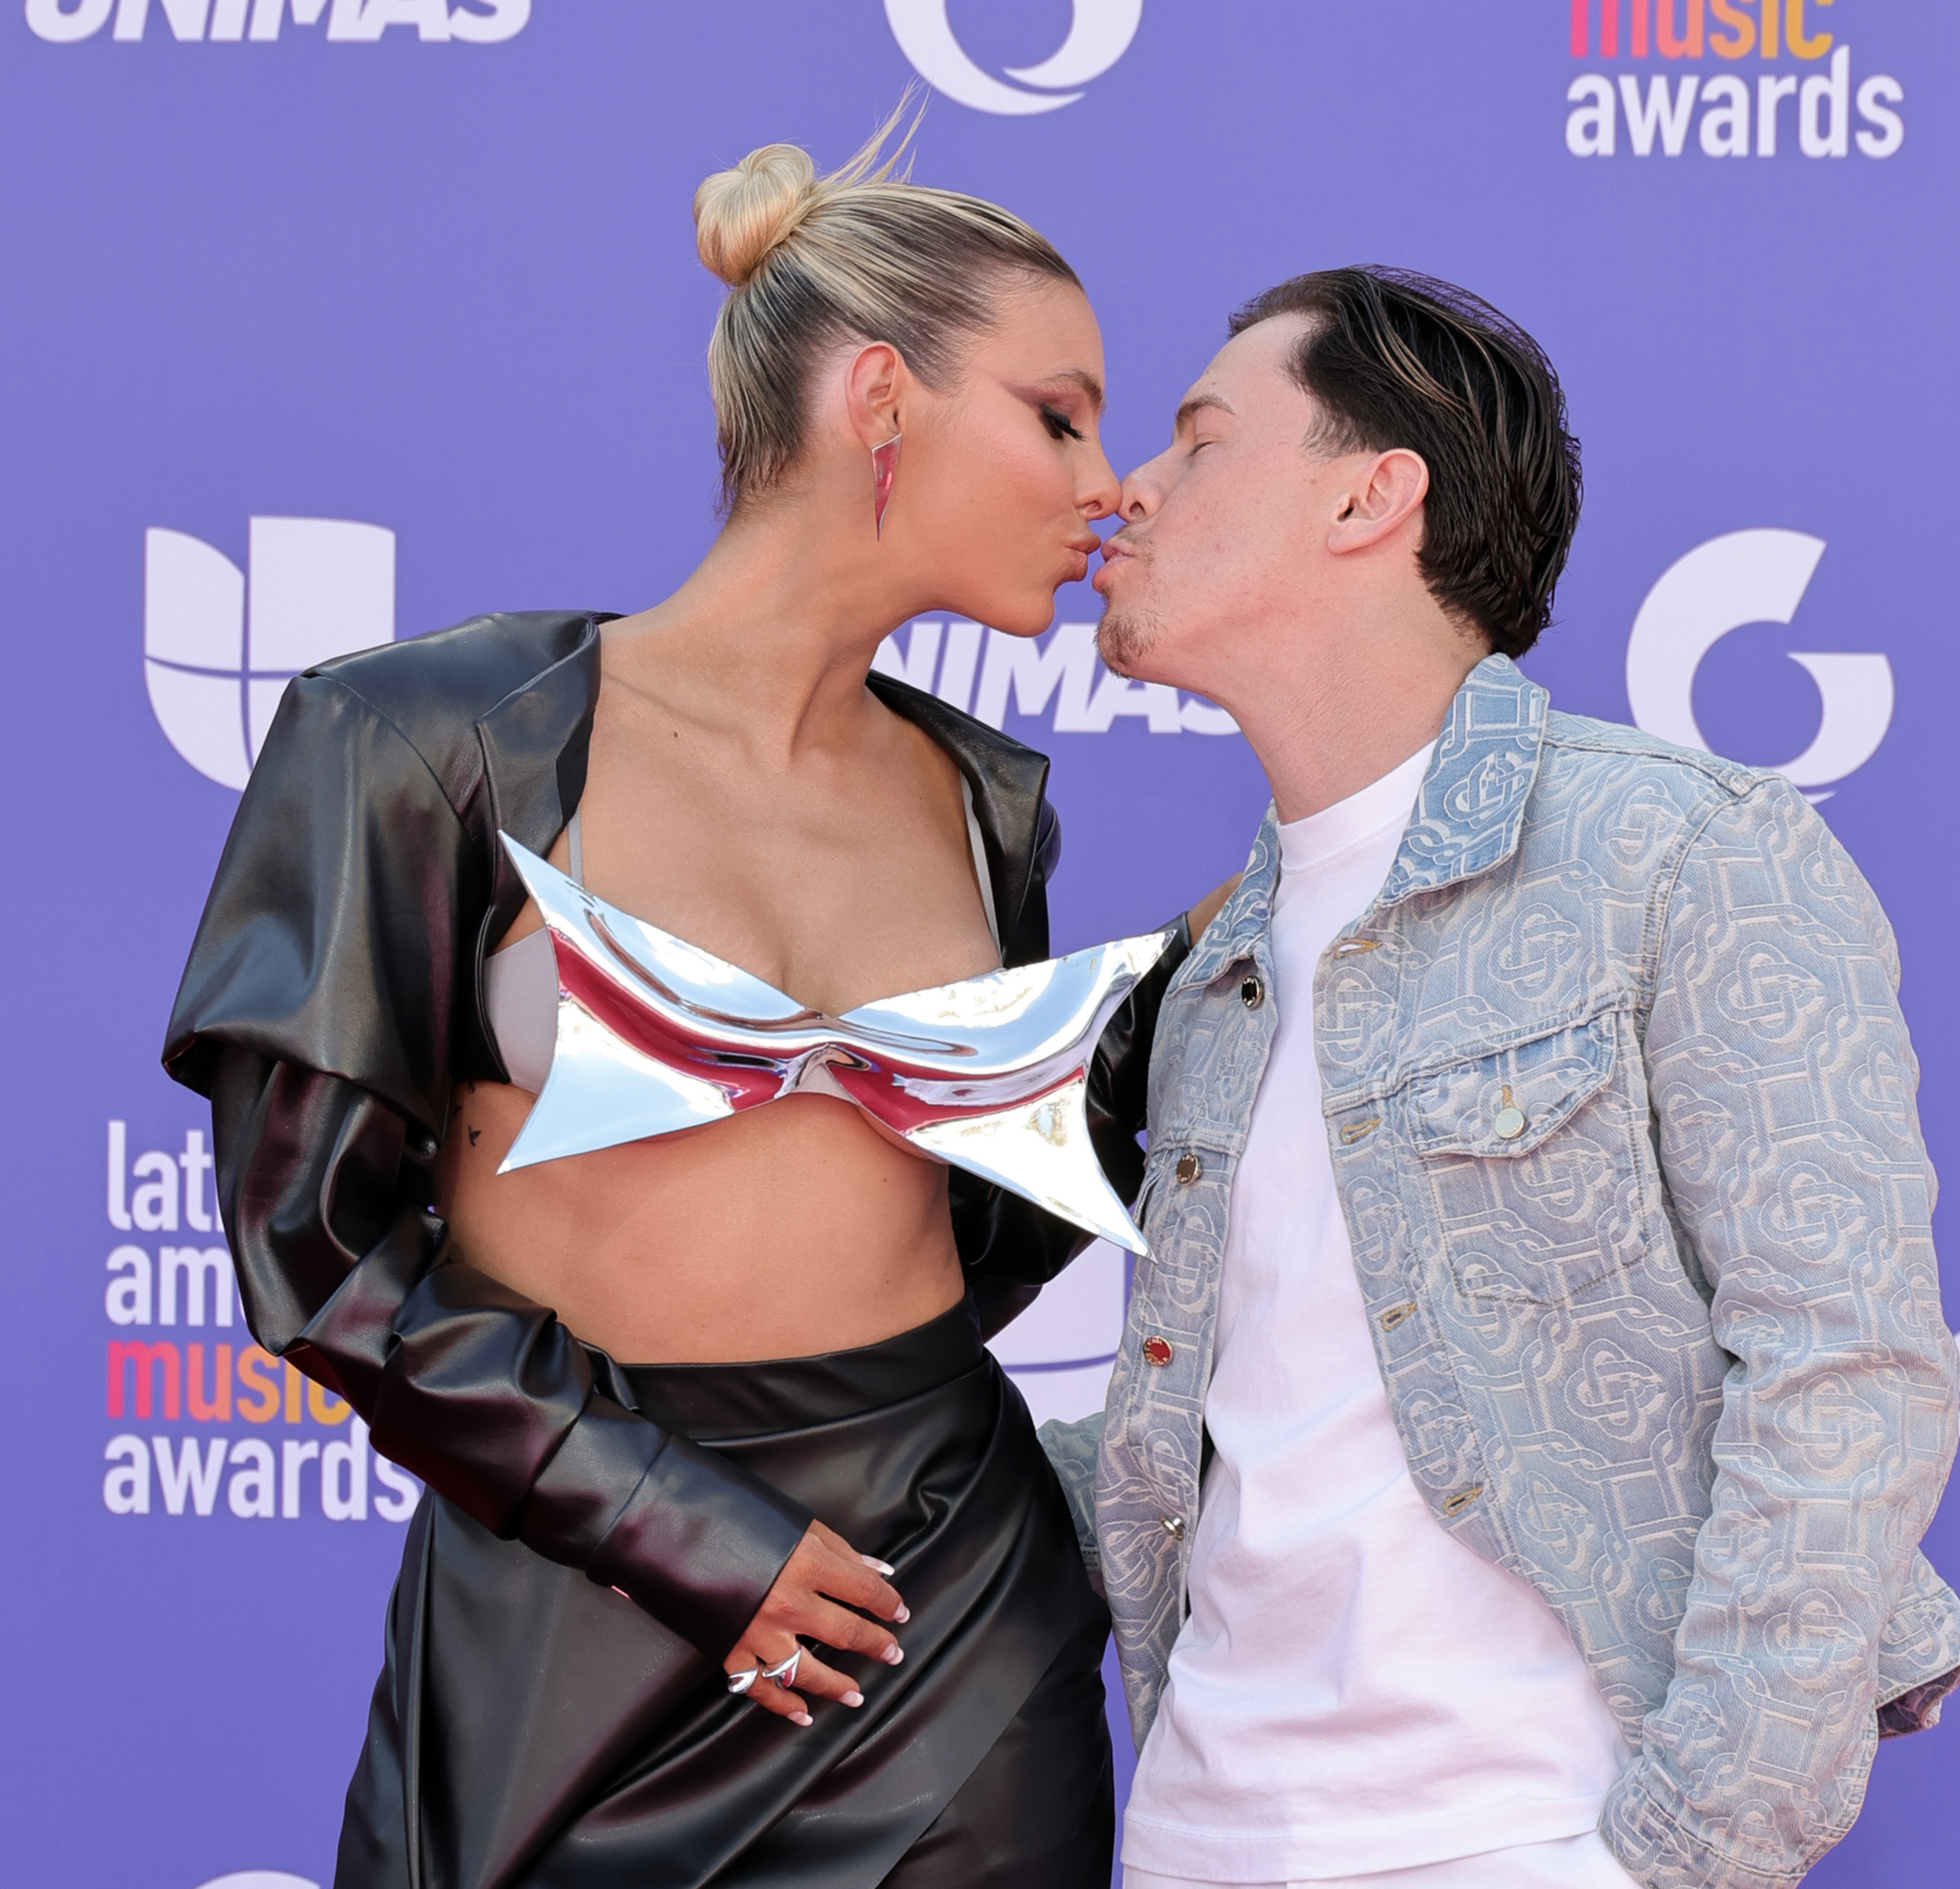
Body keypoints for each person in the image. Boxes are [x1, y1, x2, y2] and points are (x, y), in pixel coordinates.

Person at [164, 120, 1209, 1889]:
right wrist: (669, 1522)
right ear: (880, 396)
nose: (1106, 480)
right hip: (578, 1616)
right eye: (1059, 416)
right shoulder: (425, 737)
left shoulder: (981, 796)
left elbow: (968, 1231)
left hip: (946, 1623)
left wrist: (1198, 989)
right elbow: (315, 1245)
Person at [1040, 267, 1960, 1889]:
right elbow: (1246, 1426)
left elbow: (1848, 1379)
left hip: (1530, 1838)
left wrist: (1678, 1858)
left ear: (1368, 494)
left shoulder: (1679, 856)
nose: (1132, 485)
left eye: (1200, 440)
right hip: (1197, 1833)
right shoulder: (1217, 966)